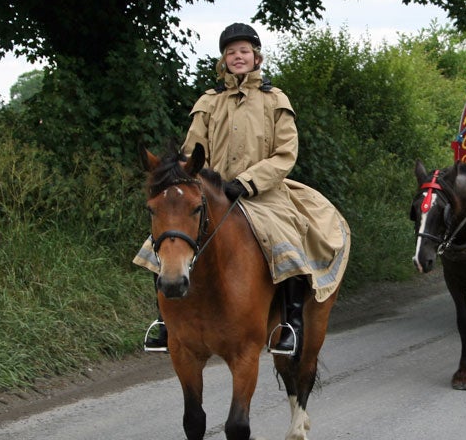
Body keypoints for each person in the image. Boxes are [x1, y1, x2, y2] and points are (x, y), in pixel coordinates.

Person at [134, 22, 349, 358]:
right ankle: (164, 321)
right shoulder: (208, 102)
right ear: (223, 60)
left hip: (263, 193)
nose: (238, 57)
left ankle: (290, 323)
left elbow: (285, 154)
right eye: (231, 52)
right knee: (161, 242)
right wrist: (198, 180)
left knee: (287, 241)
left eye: (244, 51)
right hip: (211, 191)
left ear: (256, 57)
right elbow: (192, 151)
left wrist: (248, 182)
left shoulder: (274, 99)